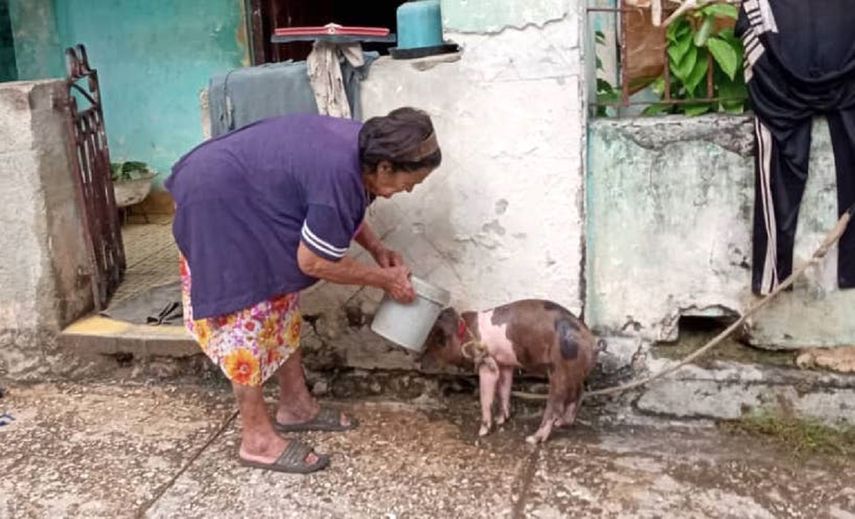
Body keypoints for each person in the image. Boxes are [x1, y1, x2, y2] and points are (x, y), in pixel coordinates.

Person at [165, 107, 441, 473]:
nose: (407, 191)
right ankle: (256, 440)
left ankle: (296, 406)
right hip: (215, 204)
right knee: (246, 320)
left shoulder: (366, 148)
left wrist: (377, 249)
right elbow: (313, 262)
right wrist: (383, 279)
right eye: (410, 183)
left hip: (239, 193)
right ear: (385, 168)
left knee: (279, 302)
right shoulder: (342, 171)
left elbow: (342, 208)